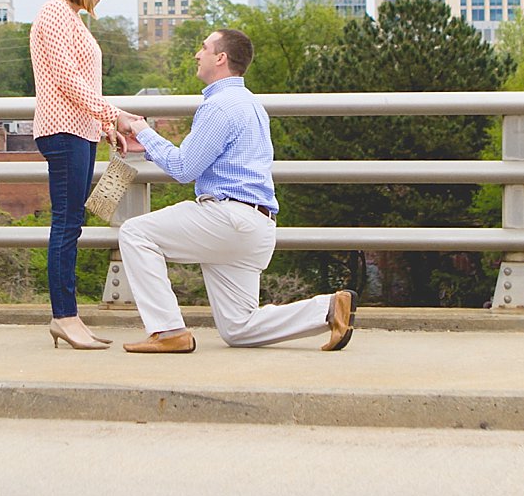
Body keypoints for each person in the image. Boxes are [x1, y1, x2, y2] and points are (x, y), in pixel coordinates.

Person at [112, 27, 355, 354]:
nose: (197, 54)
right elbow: (203, 159)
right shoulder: (250, 104)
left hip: (228, 218)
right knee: (238, 328)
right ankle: (326, 309)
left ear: (221, 57)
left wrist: (142, 129)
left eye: (204, 48)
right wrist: (149, 146)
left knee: (134, 233)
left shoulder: (219, 106)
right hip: (255, 227)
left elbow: (185, 168)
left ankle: (168, 330)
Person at [28, 0, 121, 350]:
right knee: (66, 224)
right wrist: (115, 114)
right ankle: (64, 316)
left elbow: (86, 85)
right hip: (63, 131)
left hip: (81, 131)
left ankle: (70, 316)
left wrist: (104, 124)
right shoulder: (53, 13)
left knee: (74, 224)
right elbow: (67, 81)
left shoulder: (73, 19)